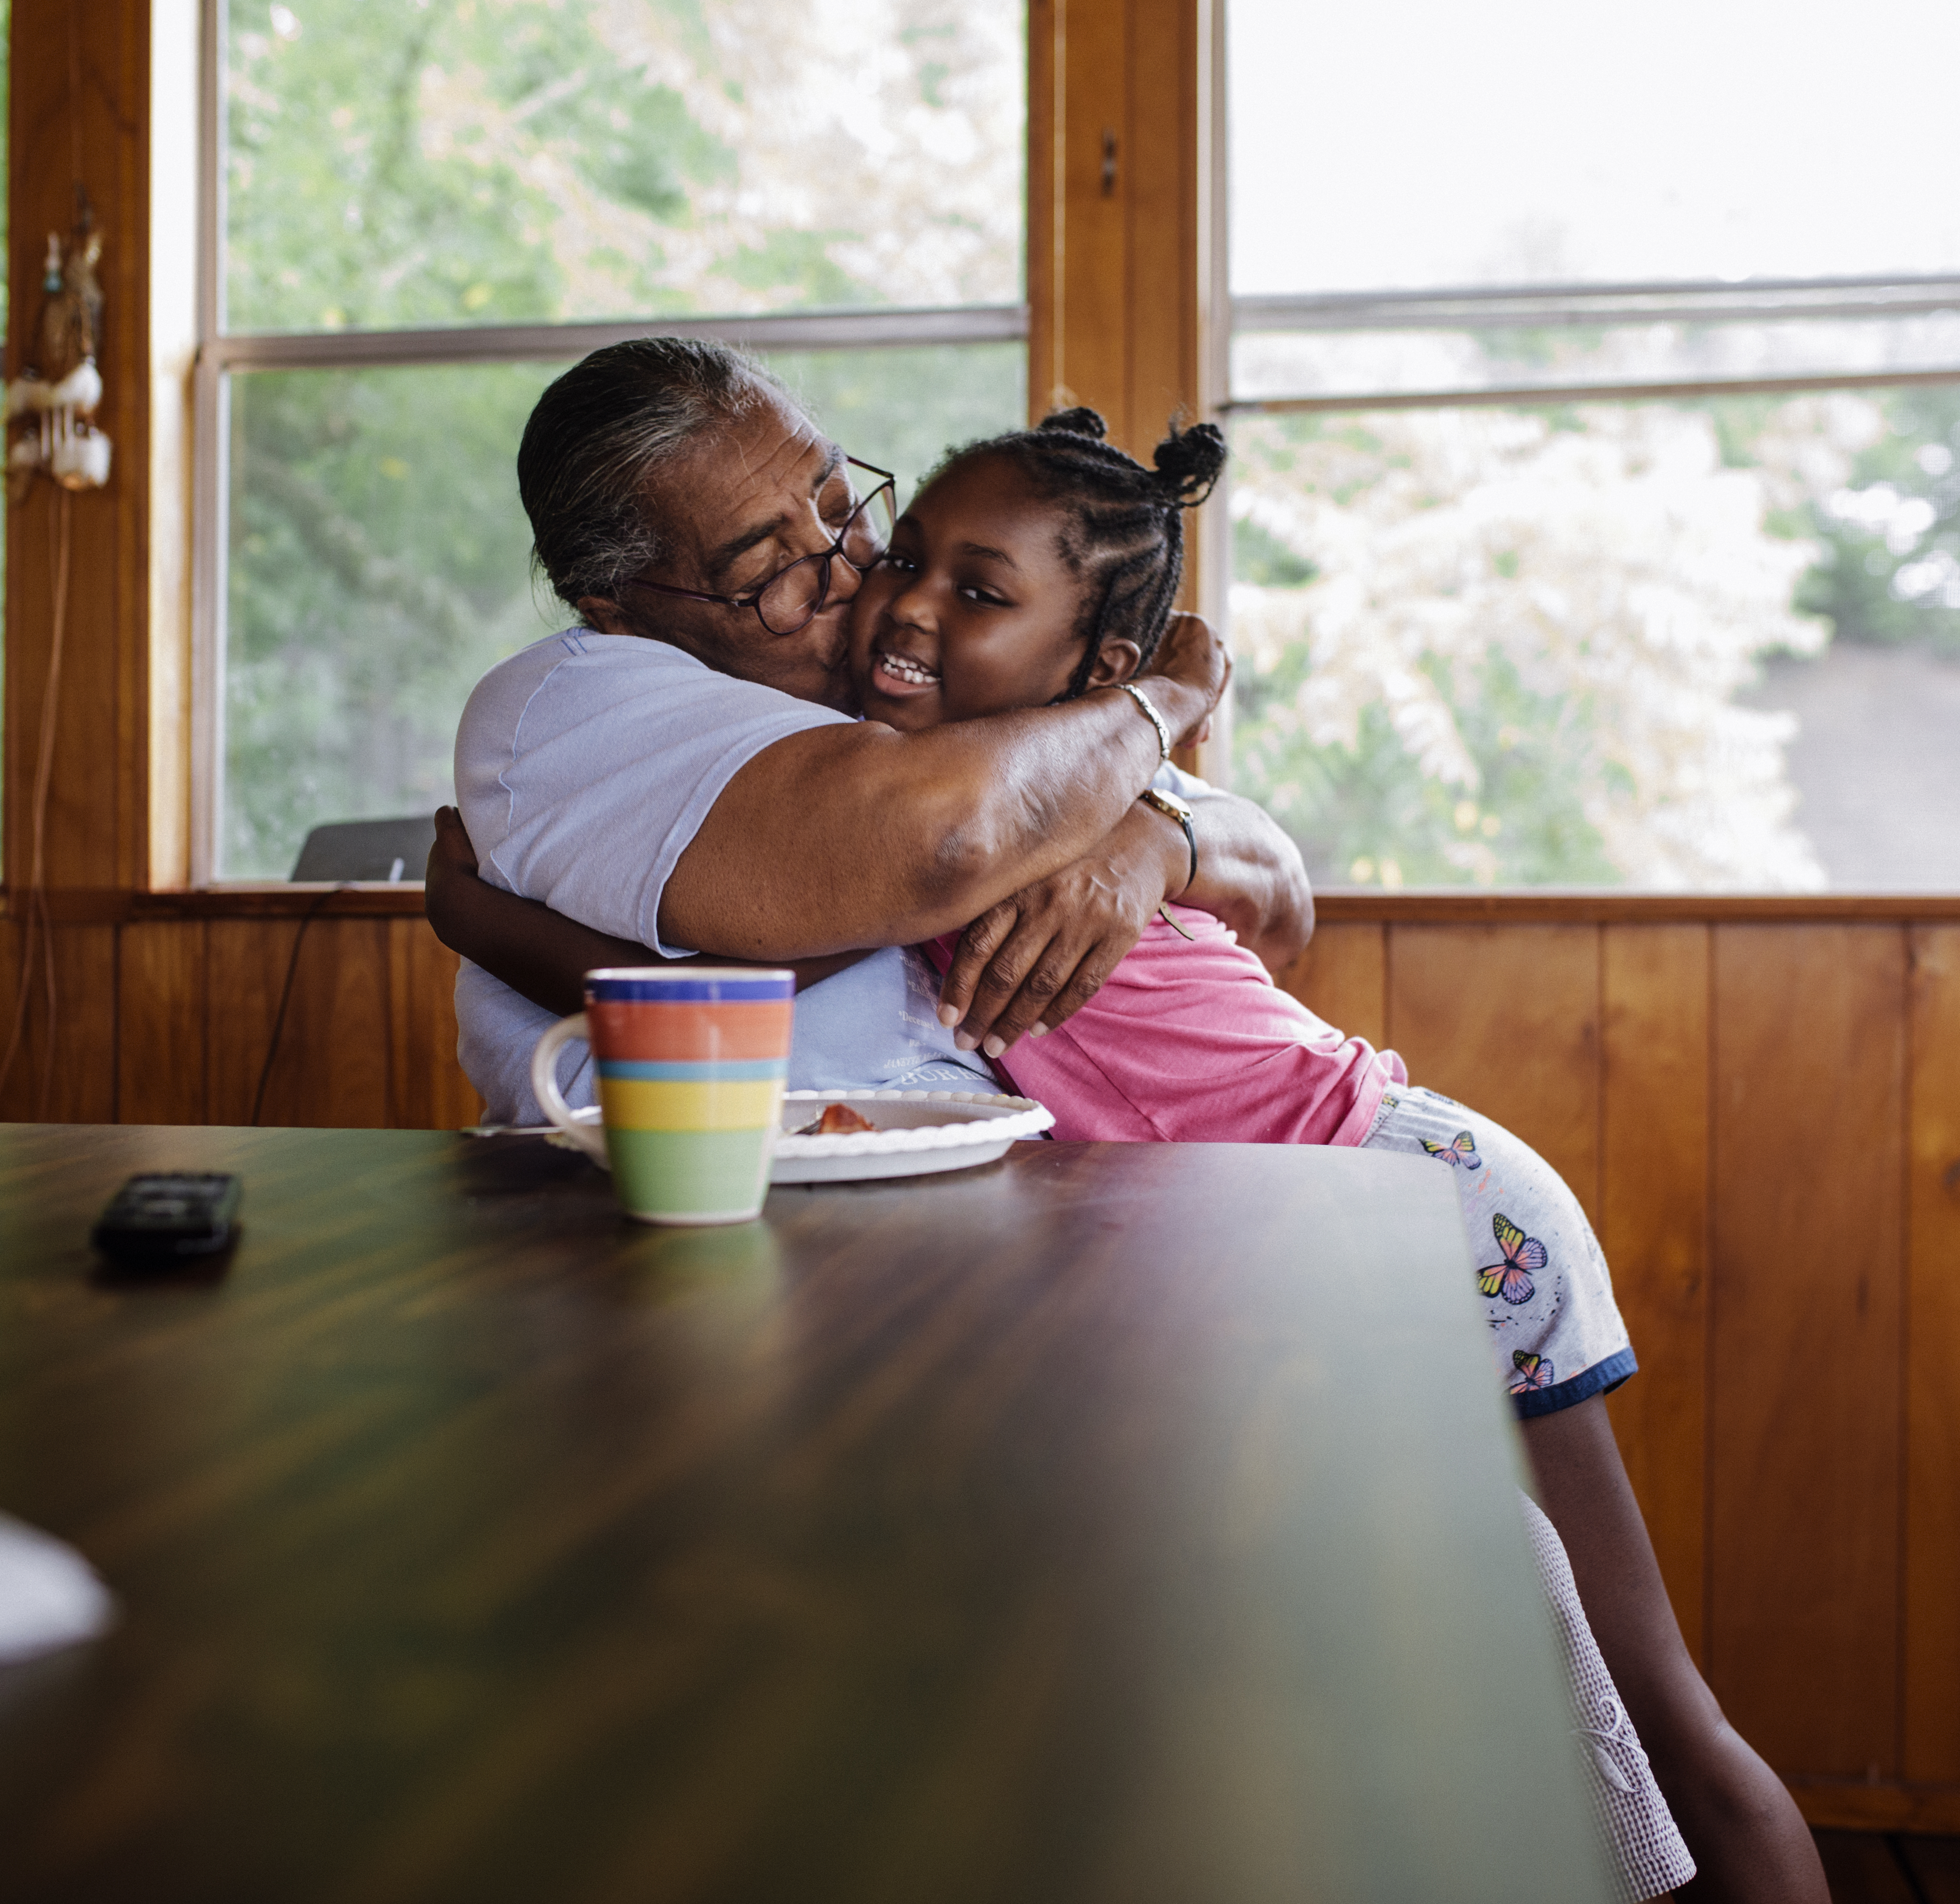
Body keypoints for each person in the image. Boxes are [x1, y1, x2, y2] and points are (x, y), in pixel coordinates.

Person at [434, 403, 1832, 1904]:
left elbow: (1255, 885)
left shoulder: (998, 770)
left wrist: (1155, 784)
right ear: (619, 602)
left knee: (1651, 1706)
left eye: (854, 518)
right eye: (786, 565)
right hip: (1274, 1229)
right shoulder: (848, 760)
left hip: (1416, 1197)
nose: (865, 588)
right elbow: (843, 911)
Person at [444, 337, 1311, 1135]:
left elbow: (1279, 906)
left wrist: (1152, 842)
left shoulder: (921, 695)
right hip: (714, 1223)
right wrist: (1168, 697)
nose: (854, 569)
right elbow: (948, 842)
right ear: (616, 605)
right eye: (769, 567)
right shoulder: (575, 701)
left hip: (1099, 1190)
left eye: (840, 505)